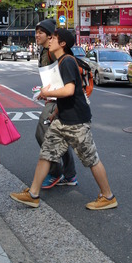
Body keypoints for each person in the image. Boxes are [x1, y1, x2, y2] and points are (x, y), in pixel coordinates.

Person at [10, 29, 117, 211]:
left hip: (76, 121)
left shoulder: (67, 61)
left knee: (91, 158)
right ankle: (33, 194)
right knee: (47, 153)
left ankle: (108, 196)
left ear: (62, 44)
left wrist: (47, 93)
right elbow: (68, 94)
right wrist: (56, 112)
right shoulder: (60, 61)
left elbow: (69, 90)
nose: (50, 40)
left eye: (53, 38)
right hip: (62, 119)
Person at [34, 19, 78, 189]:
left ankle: (55, 172)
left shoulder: (52, 52)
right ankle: (70, 174)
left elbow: (64, 79)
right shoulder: (45, 51)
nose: (37, 35)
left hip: (57, 99)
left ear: (50, 36)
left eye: (41, 32)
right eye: (36, 32)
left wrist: (50, 93)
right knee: (61, 137)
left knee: (42, 133)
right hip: (54, 98)